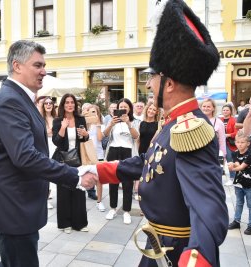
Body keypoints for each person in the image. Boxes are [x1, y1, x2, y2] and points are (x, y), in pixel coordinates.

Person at [86, 0, 228, 266]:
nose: (148, 84)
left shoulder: (191, 129)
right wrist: (102, 170)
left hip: (177, 252)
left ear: (170, 83)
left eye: (151, 76)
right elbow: (152, 162)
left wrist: (196, 259)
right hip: (158, 245)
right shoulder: (173, 122)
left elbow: (209, 209)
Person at [0, 40, 97, 267]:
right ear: (17, 66)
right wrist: (74, 176)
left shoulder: (19, 98)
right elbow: (25, 156)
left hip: (19, 203)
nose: (44, 71)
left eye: (44, 65)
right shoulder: (10, 101)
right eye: (37, 65)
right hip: (13, 205)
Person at [52, 94, 89, 234]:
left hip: (79, 159)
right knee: (64, 191)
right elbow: (56, 142)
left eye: (72, 102)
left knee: (79, 189)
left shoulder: (80, 119)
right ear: (63, 105)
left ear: (75, 105)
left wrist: (86, 134)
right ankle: (65, 223)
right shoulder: (58, 121)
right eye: (67, 102)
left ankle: (80, 223)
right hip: (63, 159)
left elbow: (85, 140)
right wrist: (63, 128)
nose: (70, 105)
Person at [103, 98, 139, 224]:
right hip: (113, 151)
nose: (123, 108)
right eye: (121, 106)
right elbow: (105, 135)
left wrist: (129, 123)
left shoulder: (134, 121)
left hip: (128, 152)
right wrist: (111, 124)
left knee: (127, 183)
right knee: (113, 180)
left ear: (129, 109)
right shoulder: (113, 120)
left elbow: (136, 136)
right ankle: (112, 208)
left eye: (125, 107)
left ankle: (126, 211)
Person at [228, 130, 251, 235]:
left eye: (242, 142)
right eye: (238, 142)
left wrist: (231, 168)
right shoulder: (235, 153)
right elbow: (237, 164)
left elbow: (242, 166)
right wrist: (232, 165)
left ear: (248, 143)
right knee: (239, 203)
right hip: (238, 183)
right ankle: (236, 221)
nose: (239, 144)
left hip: (250, 184)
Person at [134, 102, 160, 201]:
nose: (151, 111)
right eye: (150, 109)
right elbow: (138, 140)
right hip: (141, 151)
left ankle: (148, 198)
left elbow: (155, 141)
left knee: (149, 176)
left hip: (151, 152)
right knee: (140, 175)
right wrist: (137, 152)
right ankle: (139, 194)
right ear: (146, 109)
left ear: (156, 112)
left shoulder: (158, 125)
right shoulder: (141, 123)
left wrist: (151, 152)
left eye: (154, 110)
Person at [85, 104, 106, 212]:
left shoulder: (100, 125)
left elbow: (99, 138)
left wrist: (97, 124)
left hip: (98, 154)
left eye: (95, 112)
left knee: (99, 179)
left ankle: (99, 201)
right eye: (91, 112)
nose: (93, 114)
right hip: (86, 154)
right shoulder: (85, 125)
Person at [41, 96, 57, 209]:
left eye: (50, 103)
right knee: (45, 171)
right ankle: (44, 198)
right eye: (46, 103)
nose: (48, 105)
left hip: (55, 145)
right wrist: (48, 132)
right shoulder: (40, 118)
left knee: (53, 171)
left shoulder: (56, 118)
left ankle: (48, 195)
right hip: (44, 145)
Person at [221, 103, 238, 184]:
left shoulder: (233, 120)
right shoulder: (219, 119)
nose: (225, 111)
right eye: (224, 110)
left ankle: (232, 178)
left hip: (229, 143)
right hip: (220, 143)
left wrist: (228, 135)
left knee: (230, 160)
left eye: (227, 110)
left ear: (230, 111)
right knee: (220, 160)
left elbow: (237, 132)